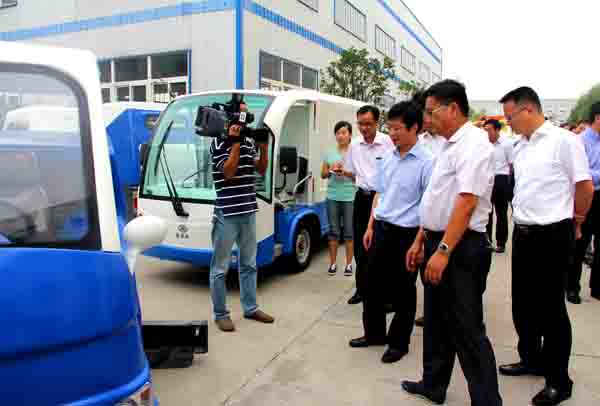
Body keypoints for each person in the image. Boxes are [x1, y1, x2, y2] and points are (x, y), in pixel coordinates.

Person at [401, 79, 502, 406]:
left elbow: (466, 202)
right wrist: (421, 239)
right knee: (436, 322)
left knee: (467, 330)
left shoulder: (473, 144)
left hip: (460, 247)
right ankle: (434, 384)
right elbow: (437, 199)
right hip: (436, 240)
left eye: (431, 112)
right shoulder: (447, 145)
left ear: (454, 108)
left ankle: (487, 401)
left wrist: (443, 250)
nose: (426, 119)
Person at [497, 87, 593, 406]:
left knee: (551, 310)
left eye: (510, 117)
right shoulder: (520, 145)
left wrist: (577, 220)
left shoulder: (563, 141)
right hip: (524, 233)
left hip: (552, 235)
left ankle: (558, 380)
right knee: (523, 305)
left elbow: (584, 186)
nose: (508, 123)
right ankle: (531, 359)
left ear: (528, 110)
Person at [348, 101, 433, 364]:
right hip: (381, 229)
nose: (392, 134)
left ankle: (398, 342)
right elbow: (379, 193)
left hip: (407, 234)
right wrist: (371, 226)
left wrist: (419, 243)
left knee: (403, 290)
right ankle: (374, 334)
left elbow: (429, 206)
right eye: (391, 128)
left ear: (414, 128)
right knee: (371, 284)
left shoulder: (427, 162)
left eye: (397, 129)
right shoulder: (387, 158)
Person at [208, 111, 275, 332]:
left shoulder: (248, 143)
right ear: (228, 123)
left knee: (249, 264)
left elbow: (261, 169)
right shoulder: (218, 144)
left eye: (242, 123)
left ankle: (251, 308)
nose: (240, 126)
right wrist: (235, 144)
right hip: (226, 213)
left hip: (248, 211)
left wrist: (263, 148)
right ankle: (221, 314)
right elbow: (228, 172)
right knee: (220, 268)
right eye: (236, 122)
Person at [343, 105, 394, 305]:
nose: (364, 128)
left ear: (377, 122)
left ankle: (385, 294)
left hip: (384, 199)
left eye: (368, 124)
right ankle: (362, 289)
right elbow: (351, 172)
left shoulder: (388, 142)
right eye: (360, 124)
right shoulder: (354, 145)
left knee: (382, 247)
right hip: (362, 199)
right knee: (360, 247)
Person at [568, 102, 600, 303]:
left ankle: (597, 287)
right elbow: (581, 174)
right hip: (586, 196)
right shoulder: (580, 141)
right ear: (597, 118)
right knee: (580, 243)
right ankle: (572, 287)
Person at [321, 121, 356, 276]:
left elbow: (359, 177)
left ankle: (348, 265)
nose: (341, 136)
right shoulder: (329, 153)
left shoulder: (355, 153)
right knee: (333, 231)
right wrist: (331, 169)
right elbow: (323, 174)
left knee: (349, 232)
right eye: (338, 133)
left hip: (350, 196)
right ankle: (333, 263)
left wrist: (345, 172)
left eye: (344, 133)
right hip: (332, 196)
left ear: (350, 135)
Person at [484, 118, 514, 253]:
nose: (486, 133)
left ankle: (501, 243)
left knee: (501, 213)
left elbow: (511, 164)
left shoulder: (507, 144)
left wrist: (509, 183)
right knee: (486, 212)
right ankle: (487, 241)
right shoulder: (483, 144)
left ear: (497, 130)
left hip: (501, 179)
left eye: (489, 130)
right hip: (486, 179)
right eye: (485, 130)